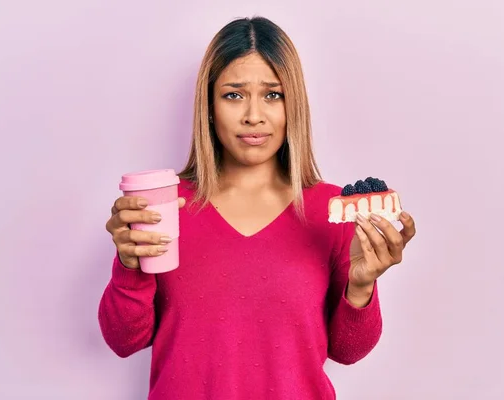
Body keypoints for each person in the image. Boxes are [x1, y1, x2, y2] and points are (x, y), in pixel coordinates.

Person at [99, 16, 416, 400]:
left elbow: (348, 352)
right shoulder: (166, 207)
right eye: (234, 94)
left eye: (273, 94)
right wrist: (129, 265)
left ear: (293, 106)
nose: (254, 115)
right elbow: (124, 340)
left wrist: (362, 285)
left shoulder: (331, 211)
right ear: (210, 105)